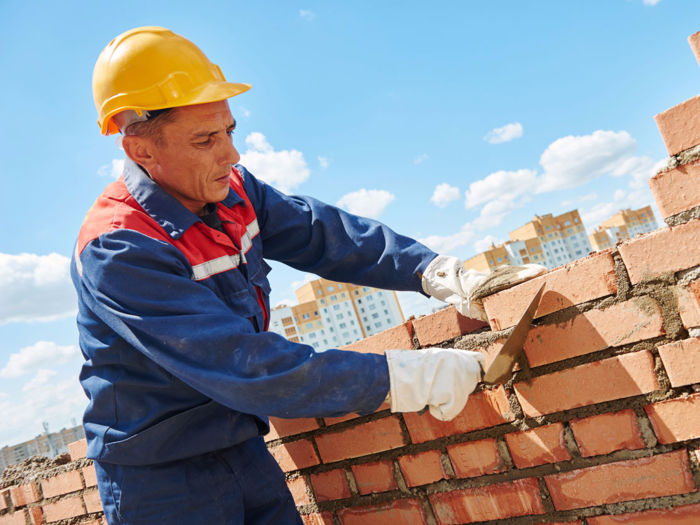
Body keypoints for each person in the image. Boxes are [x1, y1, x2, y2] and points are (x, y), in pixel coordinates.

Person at [72, 26, 545, 525]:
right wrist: (403, 377)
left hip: (241, 446)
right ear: (140, 150)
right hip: (160, 483)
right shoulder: (119, 246)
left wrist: (436, 272)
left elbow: (325, 235)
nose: (230, 155)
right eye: (206, 139)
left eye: (229, 132)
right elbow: (242, 366)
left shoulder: (230, 190)